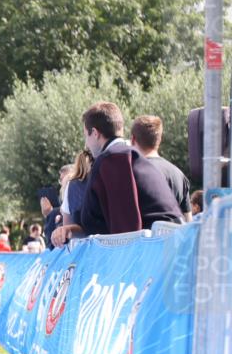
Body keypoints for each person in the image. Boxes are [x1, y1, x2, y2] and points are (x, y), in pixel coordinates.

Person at [54, 102, 181, 246]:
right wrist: (71, 229)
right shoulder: (128, 155)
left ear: (95, 133)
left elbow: (127, 227)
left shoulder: (114, 159)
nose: (87, 145)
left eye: (86, 136)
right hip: (165, 244)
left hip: (157, 250)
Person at [130, 115, 192, 222]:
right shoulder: (179, 175)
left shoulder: (131, 173)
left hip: (143, 237)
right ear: (159, 139)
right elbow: (188, 222)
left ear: (133, 139)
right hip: (173, 237)